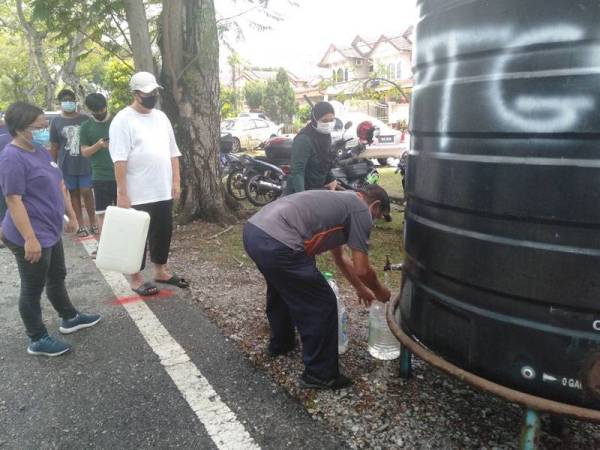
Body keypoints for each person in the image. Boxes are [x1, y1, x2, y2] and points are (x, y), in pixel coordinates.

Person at [243, 185, 393, 390]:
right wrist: (380, 291)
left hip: (255, 231)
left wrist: (360, 288)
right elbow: (363, 269)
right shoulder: (360, 210)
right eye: (377, 216)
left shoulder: (340, 202)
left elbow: (340, 258)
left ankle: (281, 344)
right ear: (375, 205)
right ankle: (319, 374)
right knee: (322, 304)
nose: (373, 222)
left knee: (282, 287)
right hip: (279, 241)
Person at [0, 102, 101, 356]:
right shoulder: (12, 157)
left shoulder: (40, 151)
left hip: (49, 228)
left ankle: (69, 317)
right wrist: (29, 239)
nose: (46, 128)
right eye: (40, 125)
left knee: (56, 275)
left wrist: (72, 217)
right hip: (30, 234)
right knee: (32, 288)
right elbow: (13, 200)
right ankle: (37, 338)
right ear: (22, 128)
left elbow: (60, 185)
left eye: (45, 123)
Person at [109, 72, 189, 296]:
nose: (152, 96)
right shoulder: (123, 120)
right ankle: (135, 278)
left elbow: (173, 152)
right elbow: (119, 159)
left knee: (163, 231)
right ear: (135, 94)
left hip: (162, 188)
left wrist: (176, 181)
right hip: (137, 192)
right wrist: (122, 193)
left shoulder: (161, 118)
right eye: (147, 93)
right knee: (137, 236)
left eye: (154, 92)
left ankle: (160, 270)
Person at [50, 89, 96, 237]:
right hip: (66, 165)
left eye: (70, 99)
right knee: (74, 194)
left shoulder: (85, 119)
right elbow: (54, 146)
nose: (68, 102)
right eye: (65, 100)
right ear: (60, 103)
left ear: (75, 101)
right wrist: (52, 166)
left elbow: (93, 141)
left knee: (86, 192)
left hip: (85, 163)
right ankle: (80, 225)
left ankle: (93, 222)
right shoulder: (56, 121)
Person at [80, 93, 115, 237]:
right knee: (102, 213)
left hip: (121, 174)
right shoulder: (86, 127)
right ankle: (104, 245)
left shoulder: (117, 121)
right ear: (90, 110)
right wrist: (98, 145)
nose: (100, 113)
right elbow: (85, 152)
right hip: (100, 176)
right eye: (96, 111)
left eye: (102, 109)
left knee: (125, 212)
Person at [285, 101, 338, 195]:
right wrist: (302, 197)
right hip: (299, 192)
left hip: (317, 190)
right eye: (325, 121)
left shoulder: (325, 136)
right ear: (314, 119)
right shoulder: (304, 140)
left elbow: (324, 162)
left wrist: (332, 179)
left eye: (332, 120)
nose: (329, 124)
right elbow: (297, 172)